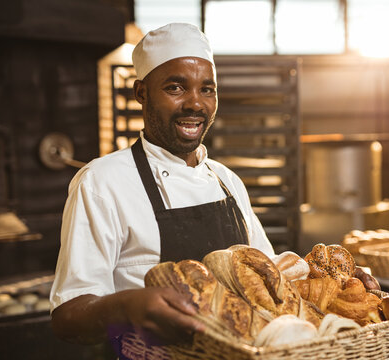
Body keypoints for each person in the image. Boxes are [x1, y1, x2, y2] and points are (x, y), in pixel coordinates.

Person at [49, 23, 275, 346]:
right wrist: (127, 306)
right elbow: (67, 317)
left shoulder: (228, 182)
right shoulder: (102, 183)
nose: (195, 104)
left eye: (207, 89)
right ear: (141, 92)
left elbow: (272, 276)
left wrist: (337, 283)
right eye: (176, 88)